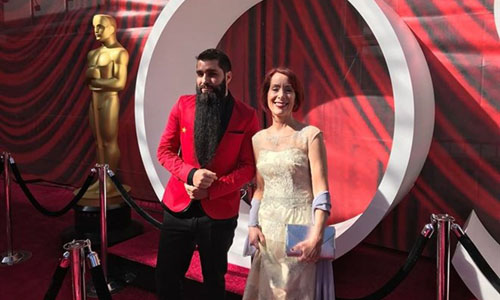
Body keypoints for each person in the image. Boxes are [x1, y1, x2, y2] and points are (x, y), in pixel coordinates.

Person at [156, 48, 260, 299]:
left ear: (228, 76)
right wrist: (190, 175)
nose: (204, 80)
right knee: (166, 277)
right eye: (200, 74)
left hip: (220, 213)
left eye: (212, 74)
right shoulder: (182, 105)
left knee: (214, 281)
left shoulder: (247, 115)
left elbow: (248, 167)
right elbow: (164, 151)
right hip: (177, 207)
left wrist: (211, 190)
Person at [243, 68, 334, 300]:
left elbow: (321, 191)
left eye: (288, 89)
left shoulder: (310, 135)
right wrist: (252, 225)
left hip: (299, 235)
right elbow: (260, 189)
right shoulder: (258, 139)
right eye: (275, 89)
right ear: (266, 95)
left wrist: (317, 237)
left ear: (296, 97)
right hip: (267, 236)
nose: (281, 95)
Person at [85, 14, 129, 197]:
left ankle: (110, 181)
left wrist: (96, 81)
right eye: (95, 26)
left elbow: (119, 83)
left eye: (101, 26)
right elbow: (90, 82)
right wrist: (95, 81)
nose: (96, 30)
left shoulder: (119, 53)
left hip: (109, 99)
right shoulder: (93, 54)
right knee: (99, 142)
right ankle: (100, 179)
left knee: (110, 141)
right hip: (95, 100)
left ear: (112, 28)